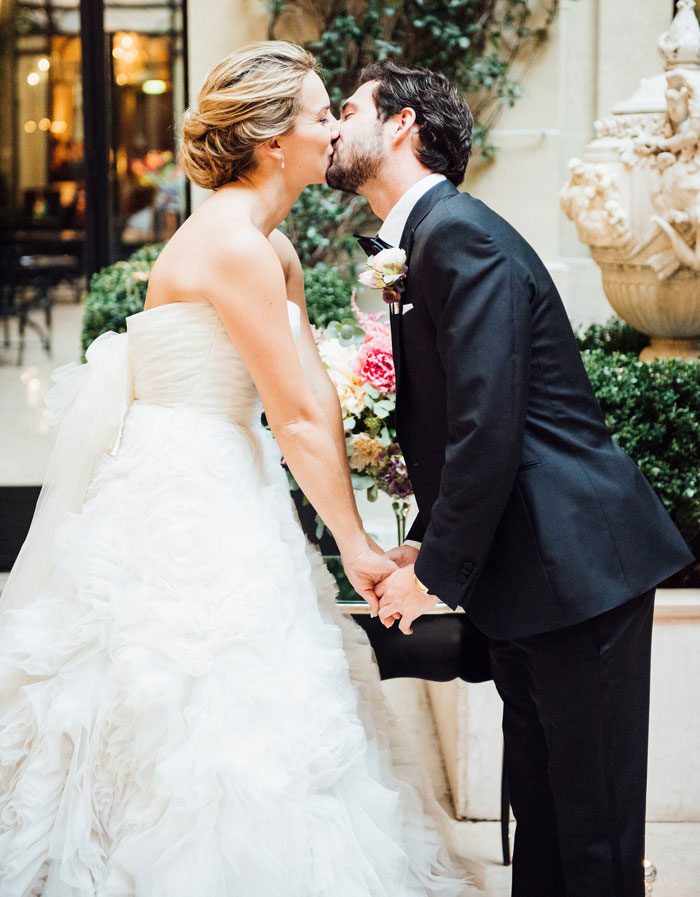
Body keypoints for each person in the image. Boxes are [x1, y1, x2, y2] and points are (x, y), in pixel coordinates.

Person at [0, 43, 479, 897]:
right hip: (189, 489)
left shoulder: (272, 243)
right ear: (272, 141)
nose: (334, 128)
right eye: (321, 112)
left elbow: (308, 398)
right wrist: (357, 547)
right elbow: (291, 415)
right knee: (201, 696)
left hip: (236, 468)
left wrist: (361, 506)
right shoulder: (231, 244)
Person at [327, 60, 695, 897]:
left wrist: (431, 578)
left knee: (593, 832)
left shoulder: (457, 233)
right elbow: (470, 430)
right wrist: (426, 545)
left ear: (400, 126)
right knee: (547, 813)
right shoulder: (425, 240)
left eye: (346, 109)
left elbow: (488, 425)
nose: (332, 126)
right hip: (534, 579)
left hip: (578, 571)